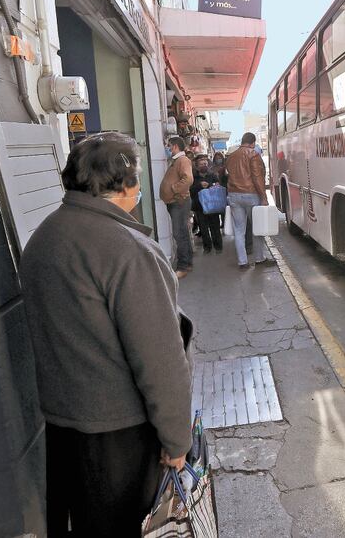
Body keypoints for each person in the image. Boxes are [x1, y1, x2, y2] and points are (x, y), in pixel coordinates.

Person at [19, 132, 191, 538]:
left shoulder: (43, 237)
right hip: (120, 438)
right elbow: (160, 360)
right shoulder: (129, 251)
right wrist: (176, 438)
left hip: (62, 426)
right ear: (127, 184)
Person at [225, 132, 275, 269]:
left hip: (234, 195)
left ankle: (243, 262)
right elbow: (257, 177)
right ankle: (259, 258)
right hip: (251, 194)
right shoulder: (253, 154)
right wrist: (263, 197)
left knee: (239, 230)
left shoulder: (231, 157)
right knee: (257, 227)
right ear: (253, 142)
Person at [160, 136, 194, 279]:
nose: (167, 148)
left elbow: (188, 179)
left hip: (179, 202)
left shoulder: (182, 160)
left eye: (169, 146)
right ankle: (187, 263)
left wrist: (173, 189)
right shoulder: (177, 161)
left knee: (179, 234)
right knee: (182, 233)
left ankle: (183, 267)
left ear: (174, 146)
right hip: (176, 203)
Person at [190, 154, 224, 254]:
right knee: (203, 228)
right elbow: (190, 190)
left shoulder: (213, 175)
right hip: (199, 207)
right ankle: (207, 247)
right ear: (197, 166)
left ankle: (218, 246)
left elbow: (218, 187)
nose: (204, 165)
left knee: (215, 227)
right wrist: (199, 186)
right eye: (201, 164)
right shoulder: (193, 177)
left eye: (205, 163)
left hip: (212, 206)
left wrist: (211, 185)